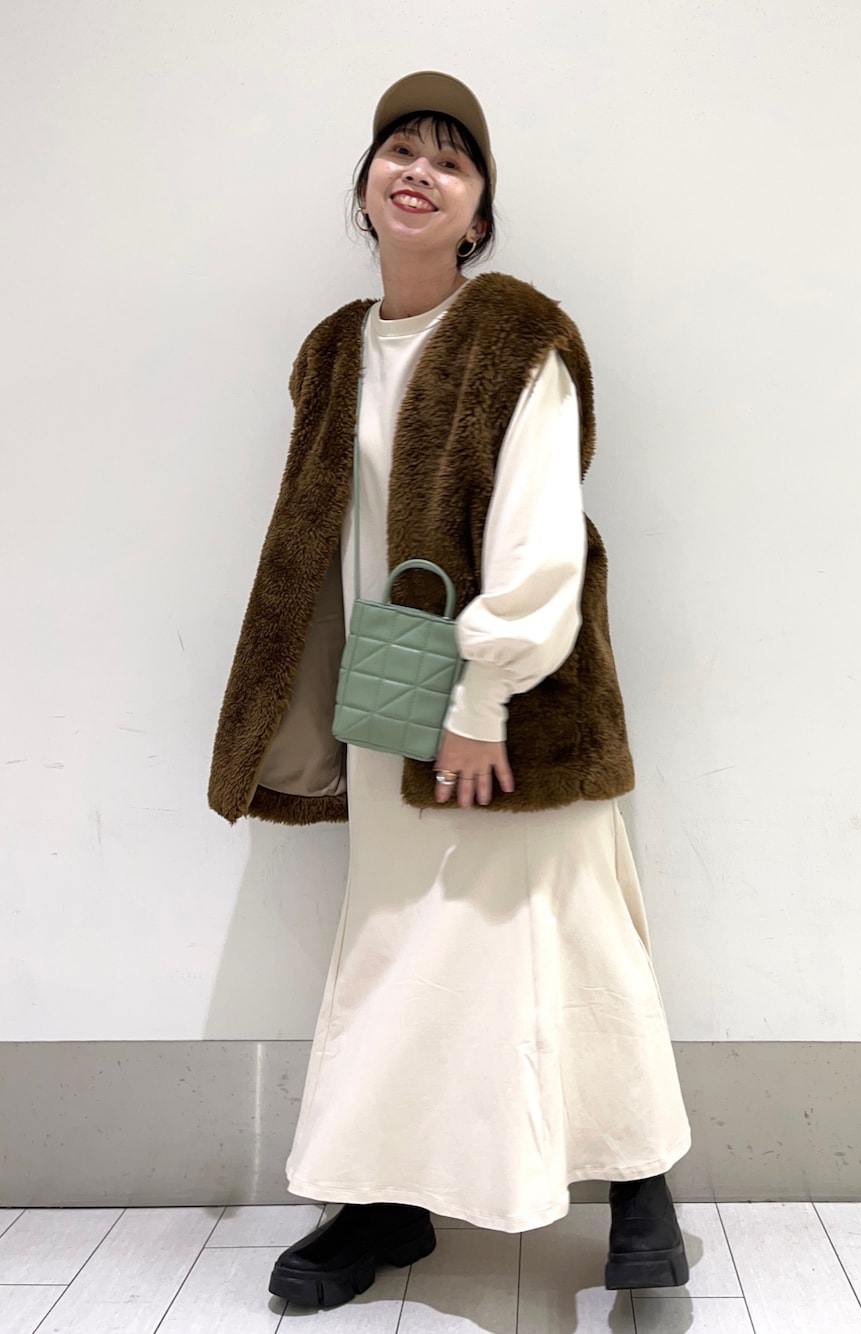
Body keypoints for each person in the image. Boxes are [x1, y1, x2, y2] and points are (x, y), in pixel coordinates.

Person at [208, 71, 691, 1312]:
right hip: (391, 698)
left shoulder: (521, 334)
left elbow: (542, 535)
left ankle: (642, 1190)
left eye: (450, 159)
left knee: (573, 934)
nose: (418, 172)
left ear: (478, 213)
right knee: (396, 952)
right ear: (366, 186)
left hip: (518, 708)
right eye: (399, 151)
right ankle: (384, 1200)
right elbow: (319, 536)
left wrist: (482, 701)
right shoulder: (332, 349)